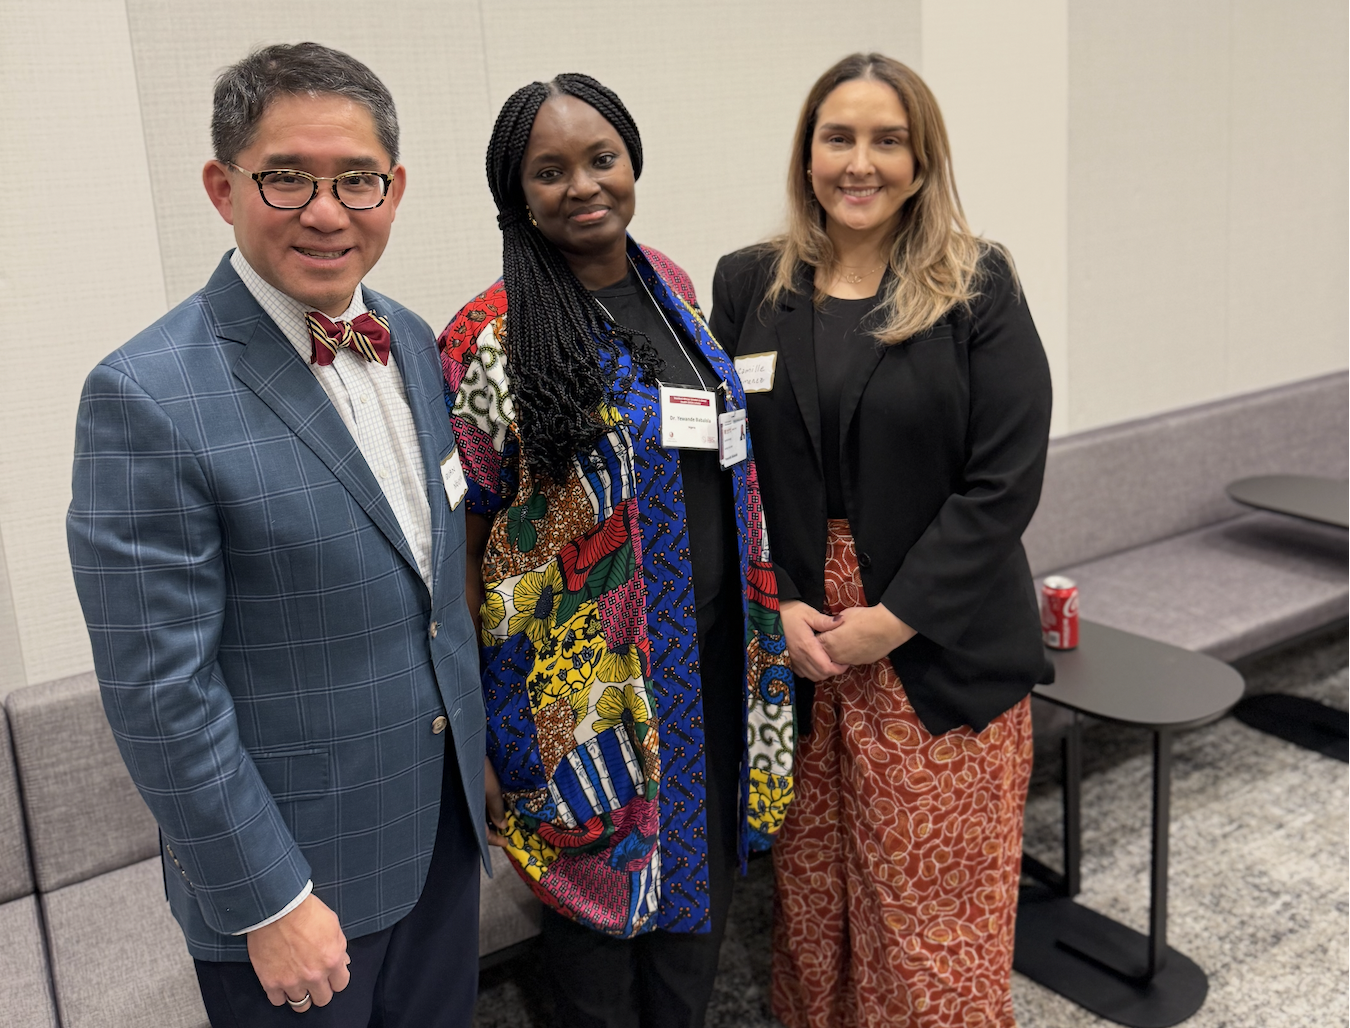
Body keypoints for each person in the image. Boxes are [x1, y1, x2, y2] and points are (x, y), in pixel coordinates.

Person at [66, 43, 486, 1027]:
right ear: (223, 186)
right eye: (286, 176)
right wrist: (268, 896)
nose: (327, 210)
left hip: (438, 836)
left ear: (396, 186)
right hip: (297, 885)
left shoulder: (415, 339)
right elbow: (160, 688)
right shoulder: (144, 395)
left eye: (356, 179)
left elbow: (429, 596)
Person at [439, 73, 795, 1028]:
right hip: (578, 697)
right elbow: (462, 544)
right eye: (548, 171)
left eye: (601, 158)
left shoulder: (670, 285)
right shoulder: (486, 337)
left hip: (715, 657)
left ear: (632, 160)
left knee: (700, 902)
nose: (583, 185)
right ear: (516, 193)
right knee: (596, 926)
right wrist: (469, 714)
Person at [709, 53, 1054, 1028]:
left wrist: (891, 620)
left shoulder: (976, 283)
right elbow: (726, 468)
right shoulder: (746, 285)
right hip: (802, 642)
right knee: (814, 894)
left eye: (887, 139)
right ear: (807, 153)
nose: (860, 162)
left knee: (929, 911)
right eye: (838, 137)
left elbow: (1004, 479)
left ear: (920, 159)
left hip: (935, 639)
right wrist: (776, 599)